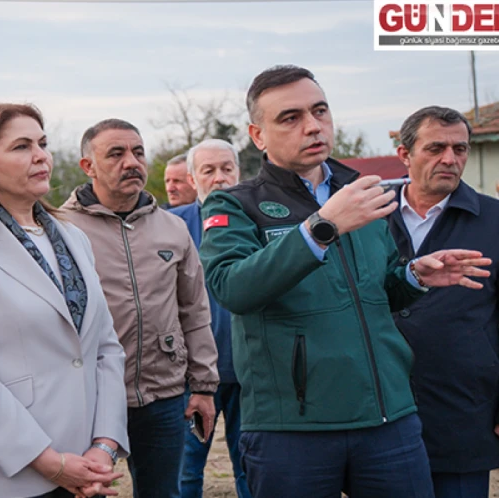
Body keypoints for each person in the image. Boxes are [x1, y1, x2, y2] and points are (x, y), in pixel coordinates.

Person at [198, 65, 492, 498]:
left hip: (389, 420)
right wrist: (321, 226)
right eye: (290, 117)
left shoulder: (363, 190)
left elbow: (375, 292)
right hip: (292, 429)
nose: (313, 125)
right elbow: (231, 288)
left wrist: (413, 275)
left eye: (320, 110)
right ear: (257, 135)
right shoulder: (236, 204)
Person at [0, 103, 128, 498]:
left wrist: (104, 446)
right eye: (21, 146)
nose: (40, 156)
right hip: (1, 473)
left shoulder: (74, 238)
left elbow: (105, 349)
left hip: (84, 464)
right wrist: (48, 461)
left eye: (43, 144)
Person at [61, 119, 219, 498]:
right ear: (89, 167)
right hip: (88, 398)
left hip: (162, 396)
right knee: (86, 493)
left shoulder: (172, 228)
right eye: (115, 154)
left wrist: (203, 385)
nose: (131, 162)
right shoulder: (60, 229)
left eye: (138, 152)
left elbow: (194, 311)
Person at [388, 106, 499, 498]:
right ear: (404, 154)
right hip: (379, 407)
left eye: (460, 149)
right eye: (436, 147)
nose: (450, 159)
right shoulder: (366, 216)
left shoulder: (494, 220)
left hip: (462, 407)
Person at [170, 138, 250, 498]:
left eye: (227, 168)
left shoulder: (258, 218)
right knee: (186, 468)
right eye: (208, 170)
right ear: (192, 177)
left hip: (250, 368)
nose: (219, 178)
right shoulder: (172, 225)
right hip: (192, 372)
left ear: (239, 171)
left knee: (249, 466)